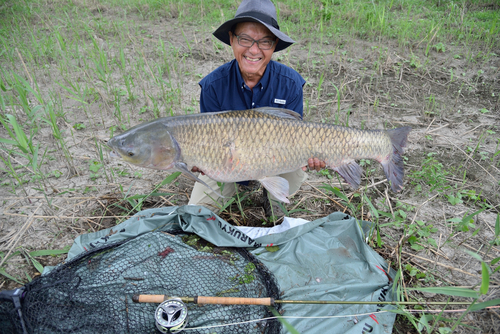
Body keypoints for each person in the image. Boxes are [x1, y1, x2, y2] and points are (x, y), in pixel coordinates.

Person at [188, 0, 325, 214]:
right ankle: (235, 188)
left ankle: (272, 200)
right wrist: (199, 159)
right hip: (228, 164)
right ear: (232, 39)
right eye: (245, 39)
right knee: (196, 214)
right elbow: (210, 143)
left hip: (278, 159)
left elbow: (296, 136)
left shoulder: (291, 83)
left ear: (274, 47)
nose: (254, 50)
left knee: (294, 173)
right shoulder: (212, 86)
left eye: (264, 42)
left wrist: (311, 156)